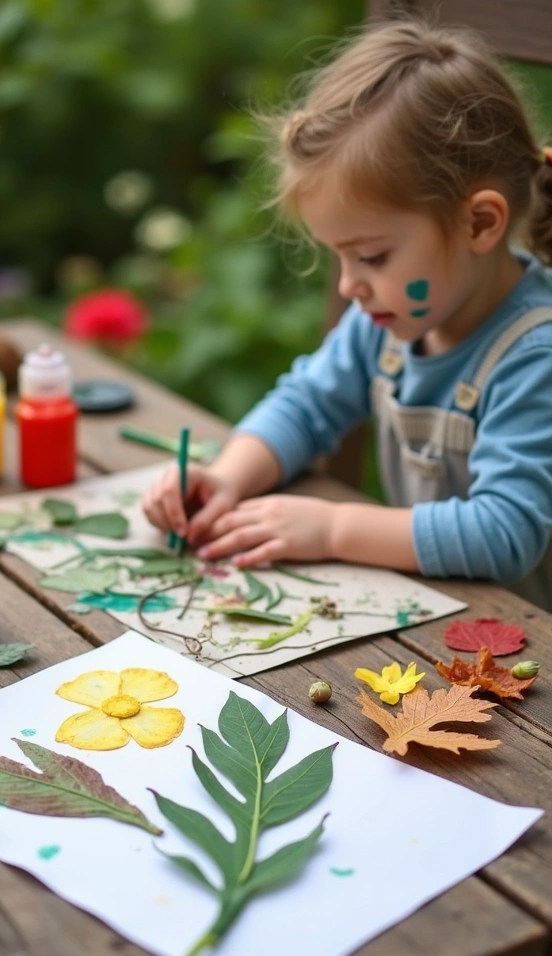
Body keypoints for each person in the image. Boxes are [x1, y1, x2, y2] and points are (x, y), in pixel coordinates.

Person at [142, 18, 552, 609]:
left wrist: (333, 529)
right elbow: (306, 406)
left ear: (479, 223)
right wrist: (228, 476)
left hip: (525, 657)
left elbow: (504, 533)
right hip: (437, 616)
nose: (349, 285)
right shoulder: (385, 322)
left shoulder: (532, 355)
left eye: (372, 256)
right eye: (338, 256)